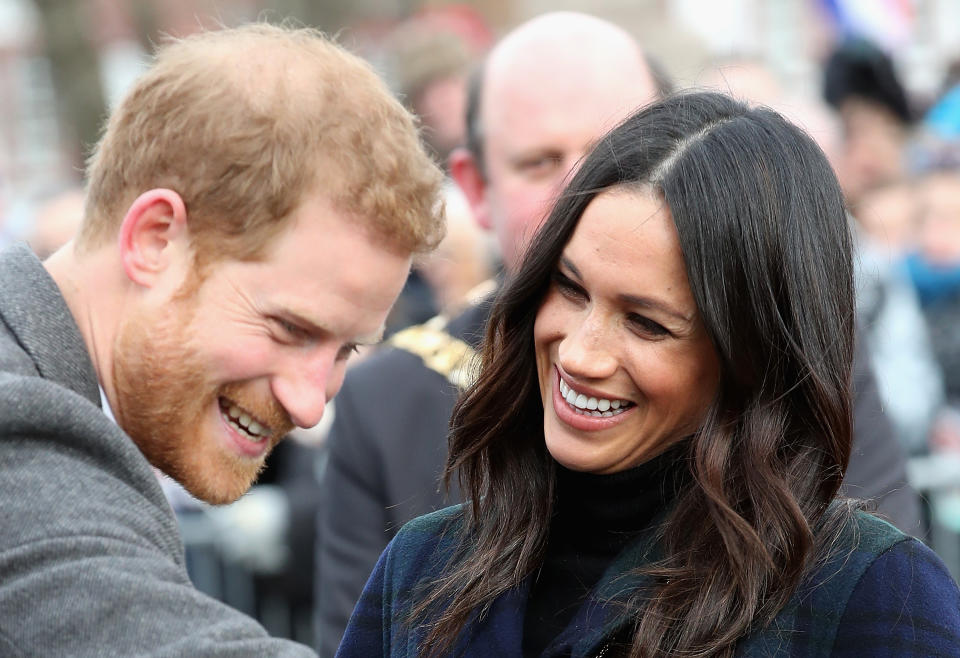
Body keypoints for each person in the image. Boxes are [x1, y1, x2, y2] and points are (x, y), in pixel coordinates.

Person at [316, 15, 921, 653]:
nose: (580, 353)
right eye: (569, 288)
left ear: (749, 353)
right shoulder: (423, 564)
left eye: (647, 323)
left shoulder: (868, 590)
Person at [0, 23, 443, 657]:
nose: (311, 404)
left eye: (345, 349)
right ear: (155, 239)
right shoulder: (15, 412)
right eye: (289, 329)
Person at [315, 13, 661, 653]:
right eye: (539, 162)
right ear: (476, 186)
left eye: (621, 159)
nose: (579, 194)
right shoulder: (389, 400)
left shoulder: (774, 355)